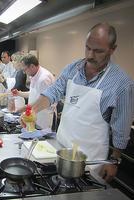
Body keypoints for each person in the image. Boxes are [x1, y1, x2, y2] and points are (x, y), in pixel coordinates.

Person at [27, 23, 134, 181]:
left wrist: (114, 160)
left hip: (90, 160)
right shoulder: (73, 68)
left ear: (112, 49)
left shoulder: (122, 84)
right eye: (88, 48)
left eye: (98, 51)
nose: (90, 55)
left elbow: (121, 128)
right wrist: (33, 110)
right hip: (60, 149)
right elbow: (54, 91)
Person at [14, 54, 55, 129]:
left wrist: (25, 108)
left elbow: (42, 101)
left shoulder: (44, 78)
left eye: (24, 70)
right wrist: (19, 93)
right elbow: (33, 94)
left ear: (32, 66)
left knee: (41, 138)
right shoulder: (34, 75)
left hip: (43, 117)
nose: (24, 72)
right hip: (34, 113)